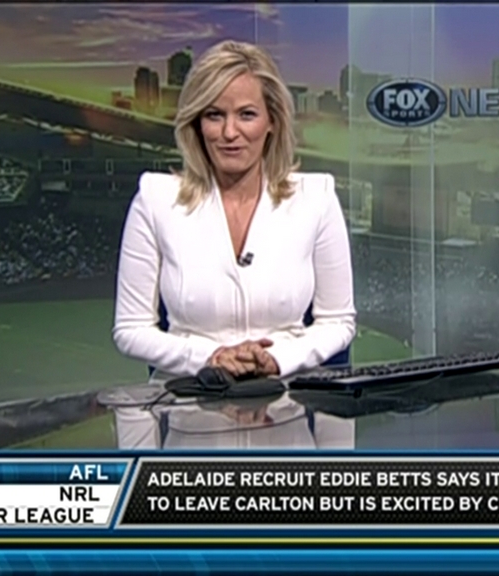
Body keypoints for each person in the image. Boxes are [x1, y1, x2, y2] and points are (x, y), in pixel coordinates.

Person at [113, 40, 356, 383]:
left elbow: (338, 322)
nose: (229, 133)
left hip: (287, 397)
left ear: (272, 121)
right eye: (215, 115)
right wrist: (209, 357)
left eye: (246, 114)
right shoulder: (156, 200)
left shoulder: (316, 198)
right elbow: (131, 329)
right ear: (197, 124)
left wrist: (276, 359)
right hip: (187, 398)